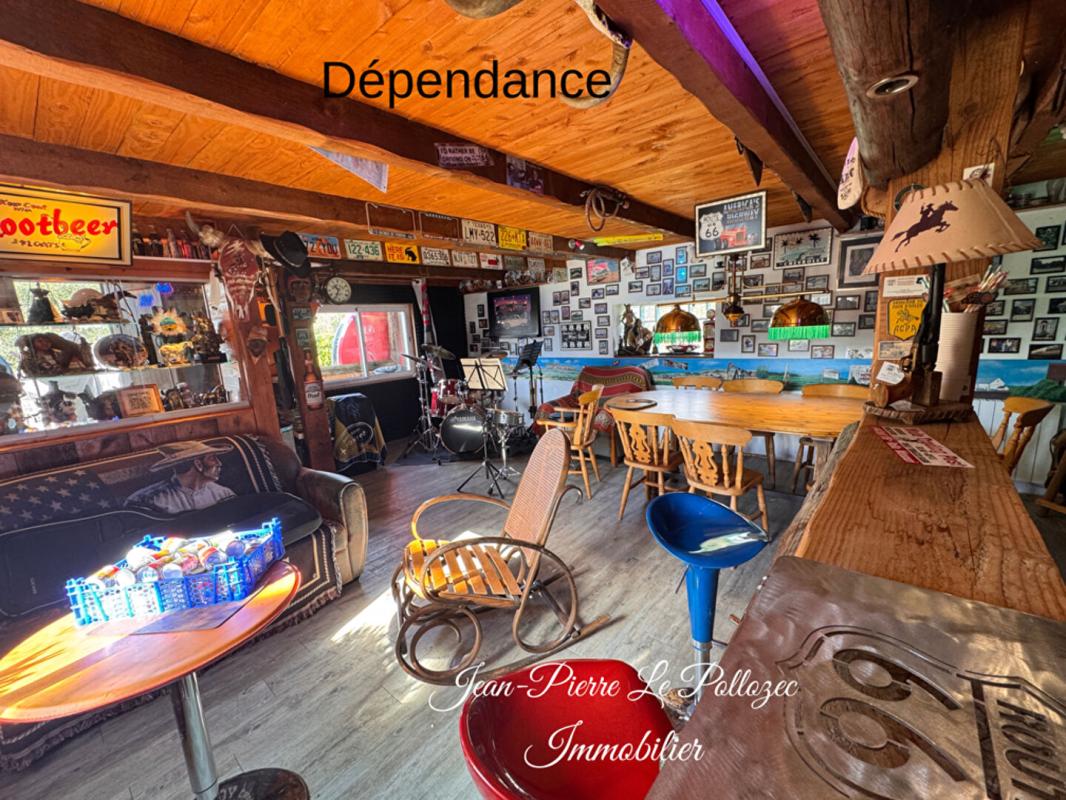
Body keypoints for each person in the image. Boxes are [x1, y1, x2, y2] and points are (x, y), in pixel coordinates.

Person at [125, 441, 236, 513]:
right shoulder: (149, 500)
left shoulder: (223, 494)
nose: (219, 463)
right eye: (212, 459)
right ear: (198, 464)